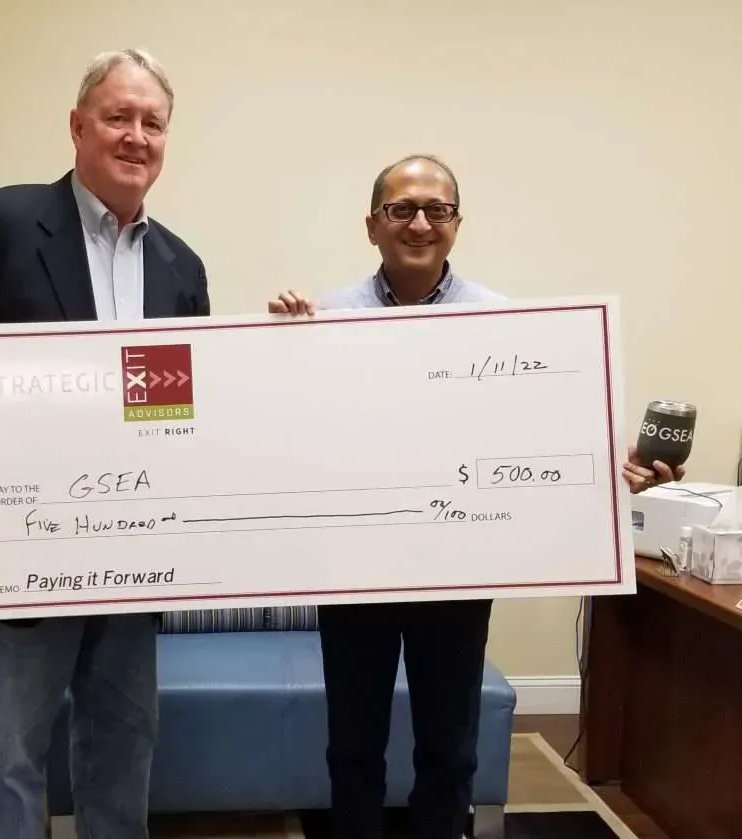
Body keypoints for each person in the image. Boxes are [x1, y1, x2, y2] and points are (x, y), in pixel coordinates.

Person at [268, 154, 683, 839]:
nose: (420, 222)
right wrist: (273, 349)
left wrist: (613, 464)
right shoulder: (324, 316)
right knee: (352, 744)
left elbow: (548, 428)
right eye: (402, 209)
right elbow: (284, 428)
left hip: (456, 567)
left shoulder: (502, 322)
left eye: (438, 209)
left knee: (448, 745)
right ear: (373, 225)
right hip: (354, 566)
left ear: (458, 223)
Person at [0, 49, 208, 839]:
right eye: (118, 116)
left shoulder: (181, 268)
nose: (136, 135)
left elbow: (185, 416)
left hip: (135, 554)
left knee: (125, 740)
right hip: (26, 548)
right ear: (78, 126)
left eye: (152, 122)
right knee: (14, 747)